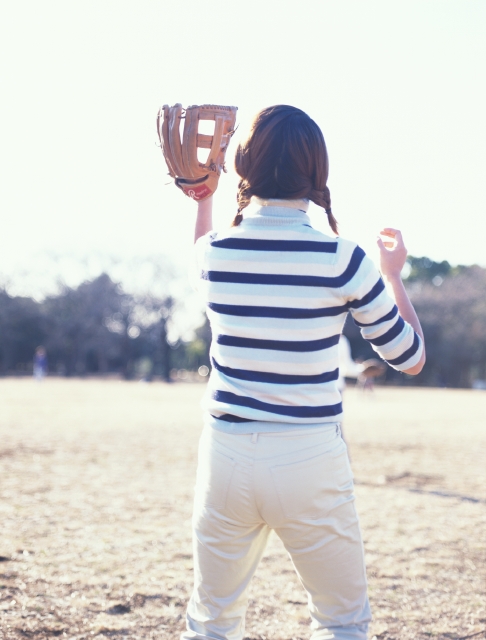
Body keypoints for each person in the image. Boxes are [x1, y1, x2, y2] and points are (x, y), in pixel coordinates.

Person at [184, 105, 425, 640]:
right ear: (318, 172)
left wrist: (204, 198)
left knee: (211, 624)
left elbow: (201, 248)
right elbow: (409, 357)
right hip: (309, 455)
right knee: (341, 623)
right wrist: (393, 277)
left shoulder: (215, 255)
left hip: (224, 452)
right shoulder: (344, 259)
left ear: (242, 165)